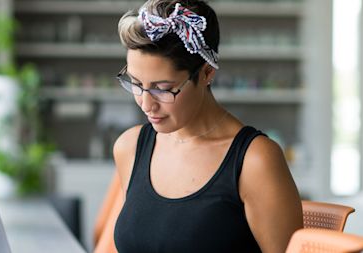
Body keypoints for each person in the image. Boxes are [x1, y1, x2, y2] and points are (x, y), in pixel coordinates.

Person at [111, 0, 303, 252]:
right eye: (135, 83)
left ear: (206, 73)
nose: (146, 104)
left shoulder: (255, 161)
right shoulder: (130, 147)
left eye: (163, 89)